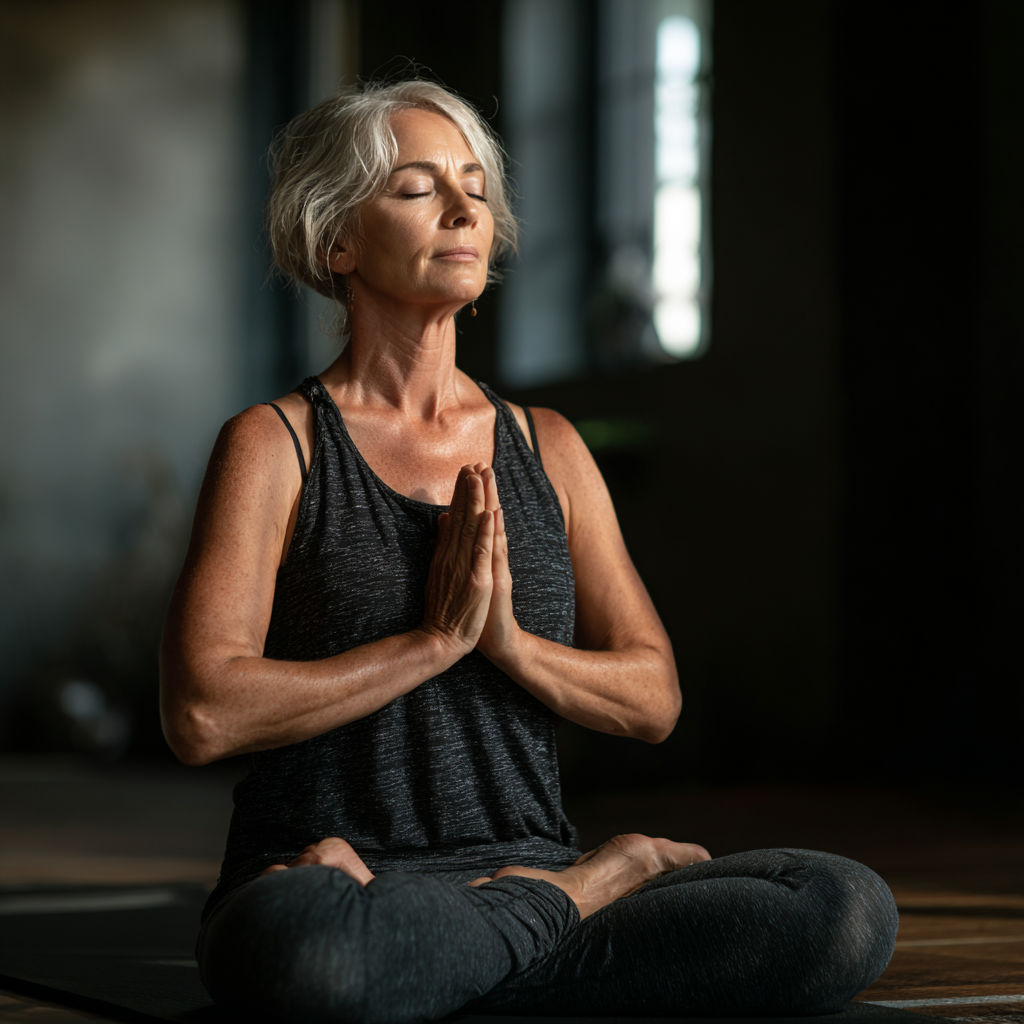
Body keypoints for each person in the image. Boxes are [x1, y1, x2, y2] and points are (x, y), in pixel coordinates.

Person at [159, 79, 897, 1023]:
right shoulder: (276, 445)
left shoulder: (547, 444)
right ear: (337, 239)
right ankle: (585, 892)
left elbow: (652, 697)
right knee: (307, 951)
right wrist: (431, 644)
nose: (468, 209)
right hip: (334, 883)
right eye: (419, 188)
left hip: (523, 858)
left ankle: (481, 942)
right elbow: (202, 714)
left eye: (474, 183)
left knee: (839, 908)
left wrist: (505, 642)